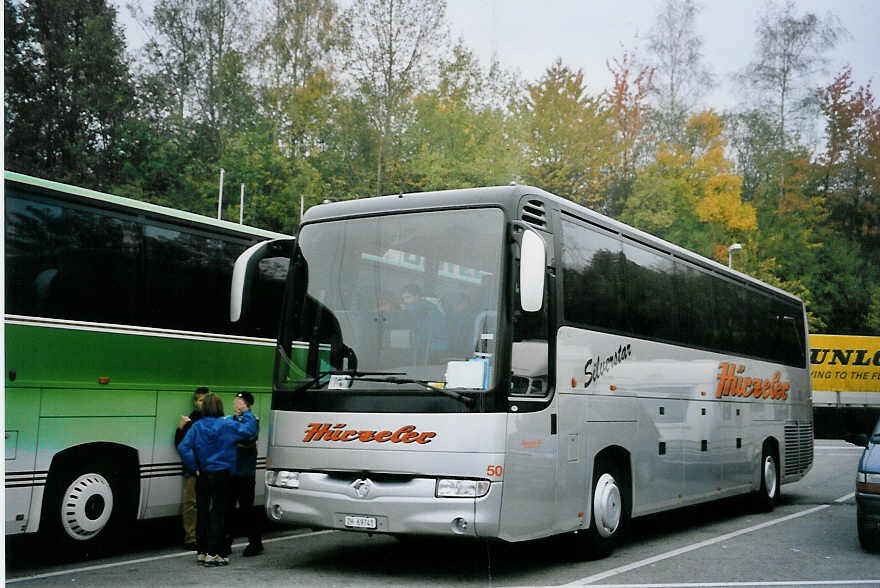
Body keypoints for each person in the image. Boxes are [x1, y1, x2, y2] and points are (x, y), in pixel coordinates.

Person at [177, 393, 257, 567]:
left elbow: (184, 447)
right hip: (222, 474)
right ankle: (214, 554)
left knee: (202, 513)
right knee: (218, 514)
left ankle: (202, 551)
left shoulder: (197, 426)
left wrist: (194, 466)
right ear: (220, 407)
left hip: (203, 474)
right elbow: (250, 430)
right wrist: (245, 411)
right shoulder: (227, 424)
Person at [223, 391, 263, 557]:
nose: (235, 405)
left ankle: (255, 543)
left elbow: (247, 434)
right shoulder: (230, 419)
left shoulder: (253, 420)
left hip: (245, 474)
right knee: (227, 509)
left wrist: (244, 413)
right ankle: (225, 543)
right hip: (231, 472)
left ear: (248, 405)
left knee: (246, 509)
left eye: (239, 402)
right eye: (235, 402)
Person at [175, 386, 208, 551]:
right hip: (194, 469)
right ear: (195, 402)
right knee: (191, 504)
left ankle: (201, 536)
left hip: (207, 468)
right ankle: (191, 537)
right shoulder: (191, 421)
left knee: (203, 503)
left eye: (206, 400)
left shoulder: (211, 420)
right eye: (201, 400)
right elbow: (180, 444)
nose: (204, 403)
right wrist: (180, 428)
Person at [400, 283, 448, 361]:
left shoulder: (423, 307)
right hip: (432, 347)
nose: (405, 301)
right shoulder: (426, 307)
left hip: (434, 349)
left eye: (408, 297)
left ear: (417, 296)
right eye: (403, 299)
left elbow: (425, 332)